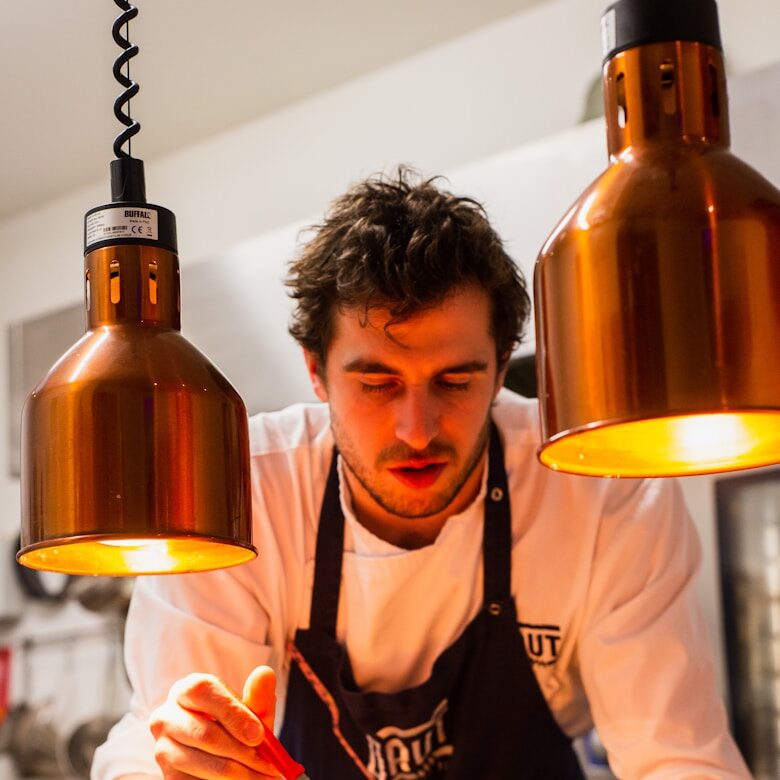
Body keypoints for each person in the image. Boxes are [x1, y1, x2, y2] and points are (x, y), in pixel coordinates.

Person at [92, 169, 750, 779]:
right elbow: (168, 744)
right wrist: (183, 759)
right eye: (377, 382)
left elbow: (676, 756)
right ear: (316, 372)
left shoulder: (601, 489)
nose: (416, 430)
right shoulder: (242, 492)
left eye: (456, 380)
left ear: (500, 372)